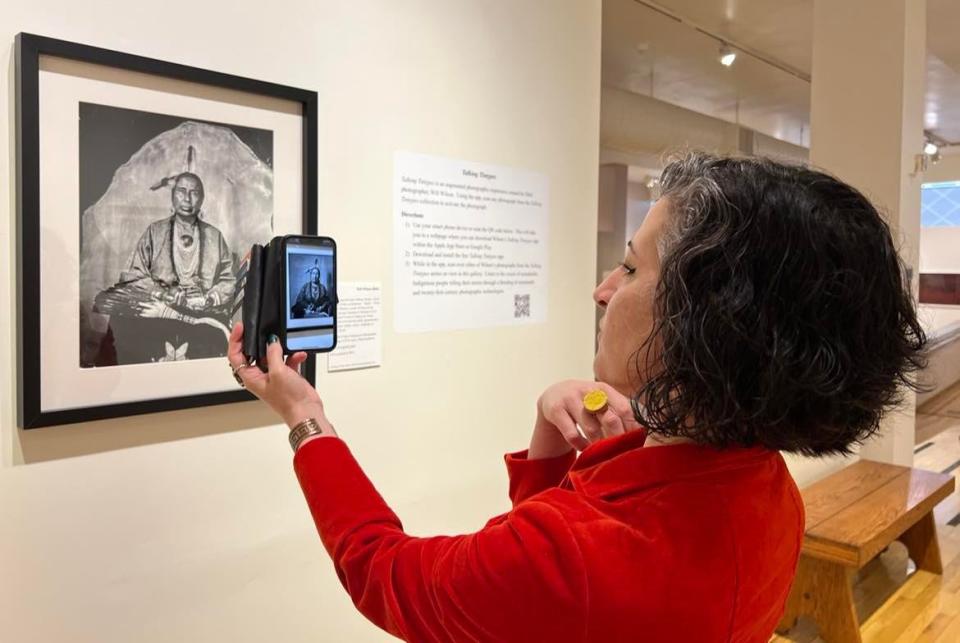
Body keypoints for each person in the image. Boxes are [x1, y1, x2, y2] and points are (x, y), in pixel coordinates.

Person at [228, 153, 927, 642]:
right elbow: (556, 605)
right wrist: (549, 441)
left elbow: (383, 568)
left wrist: (304, 418)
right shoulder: (770, 490)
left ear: (705, 319)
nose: (602, 288)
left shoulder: (577, 559)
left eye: (630, 266)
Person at [120, 172, 236, 311]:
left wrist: (208, 299)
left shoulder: (215, 236)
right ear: (172, 196)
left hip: (202, 313)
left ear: (202, 199)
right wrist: (163, 294)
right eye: (181, 191)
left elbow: (229, 280)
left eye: (194, 193)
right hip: (160, 311)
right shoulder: (154, 232)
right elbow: (133, 276)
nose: (187, 199)